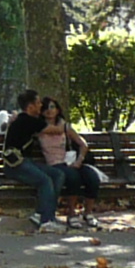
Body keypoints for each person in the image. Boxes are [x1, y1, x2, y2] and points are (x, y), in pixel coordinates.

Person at [16, 98, 79, 229]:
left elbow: (81, 143)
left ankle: (45, 215)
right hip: (30, 163)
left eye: (52, 107)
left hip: (67, 162)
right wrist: (63, 123)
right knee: (56, 178)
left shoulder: (39, 122)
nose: (48, 110)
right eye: (44, 107)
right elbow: (58, 130)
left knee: (86, 177)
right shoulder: (38, 124)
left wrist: (80, 159)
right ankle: (48, 218)